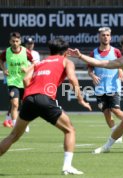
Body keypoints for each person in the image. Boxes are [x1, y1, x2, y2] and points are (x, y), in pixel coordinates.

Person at [0, 38, 92, 175]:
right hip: (45, 99)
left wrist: (31, 96)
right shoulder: (66, 61)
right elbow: (73, 79)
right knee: (70, 130)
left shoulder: (39, 62)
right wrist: (81, 99)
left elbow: (26, 80)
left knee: (13, 135)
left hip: (29, 99)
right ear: (66, 51)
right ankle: (67, 166)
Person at [88, 27, 123, 142]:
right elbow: (90, 69)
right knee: (106, 113)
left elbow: (121, 64)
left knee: (116, 110)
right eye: (103, 35)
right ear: (99, 37)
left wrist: (121, 71)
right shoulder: (94, 53)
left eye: (107, 35)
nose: (105, 37)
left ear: (110, 37)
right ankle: (116, 134)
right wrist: (92, 76)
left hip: (113, 86)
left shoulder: (115, 51)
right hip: (100, 89)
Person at [0, 32, 34, 132]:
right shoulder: (6, 52)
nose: (15, 43)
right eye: (13, 41)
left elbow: (34, 63)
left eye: (17, 41)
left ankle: (24, 124)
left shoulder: (25, 51)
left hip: (24, 82)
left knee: (25, 106)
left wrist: (28, 69)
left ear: (20, 42)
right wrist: (3, 69)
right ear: (10, 41)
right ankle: (16, 126)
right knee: (15, 104)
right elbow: (0, 61)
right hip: (12, 82)